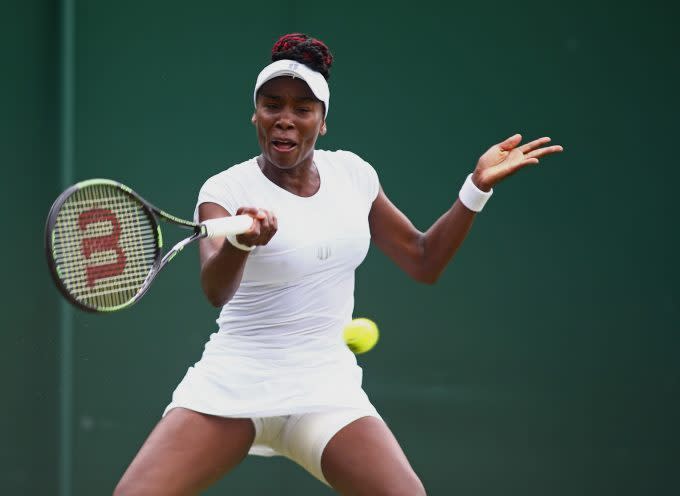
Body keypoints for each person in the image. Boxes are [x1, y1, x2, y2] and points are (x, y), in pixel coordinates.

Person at [114, 33, 563, 496]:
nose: (285, 120)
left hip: (324, 389)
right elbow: (215, 290)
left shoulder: (353, 175)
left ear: (322, 122)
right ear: (255, 114)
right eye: (272, 105)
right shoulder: (224, 191)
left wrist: (476, 187)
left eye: (302, 109)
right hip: (235, 383)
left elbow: (423, 260)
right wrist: (241, 243)